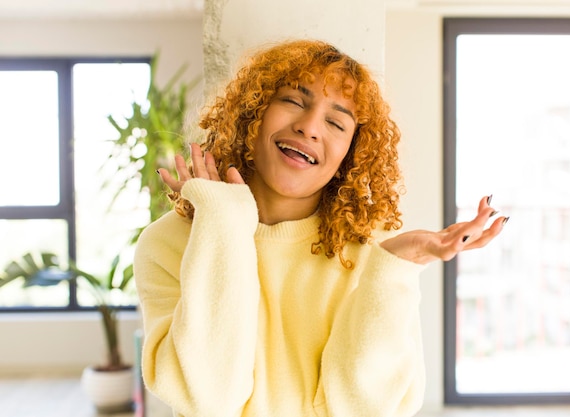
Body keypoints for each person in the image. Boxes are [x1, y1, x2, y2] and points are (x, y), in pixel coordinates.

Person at [134, 39, 507, 417]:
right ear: (253, 113)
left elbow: (367, 409)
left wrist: (395, 266)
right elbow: (208, 400)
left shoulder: (372, 248)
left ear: (351, 152)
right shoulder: (168, 244)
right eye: (294, 101)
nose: (310, 127)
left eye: (335, 122)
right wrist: (224, 223)